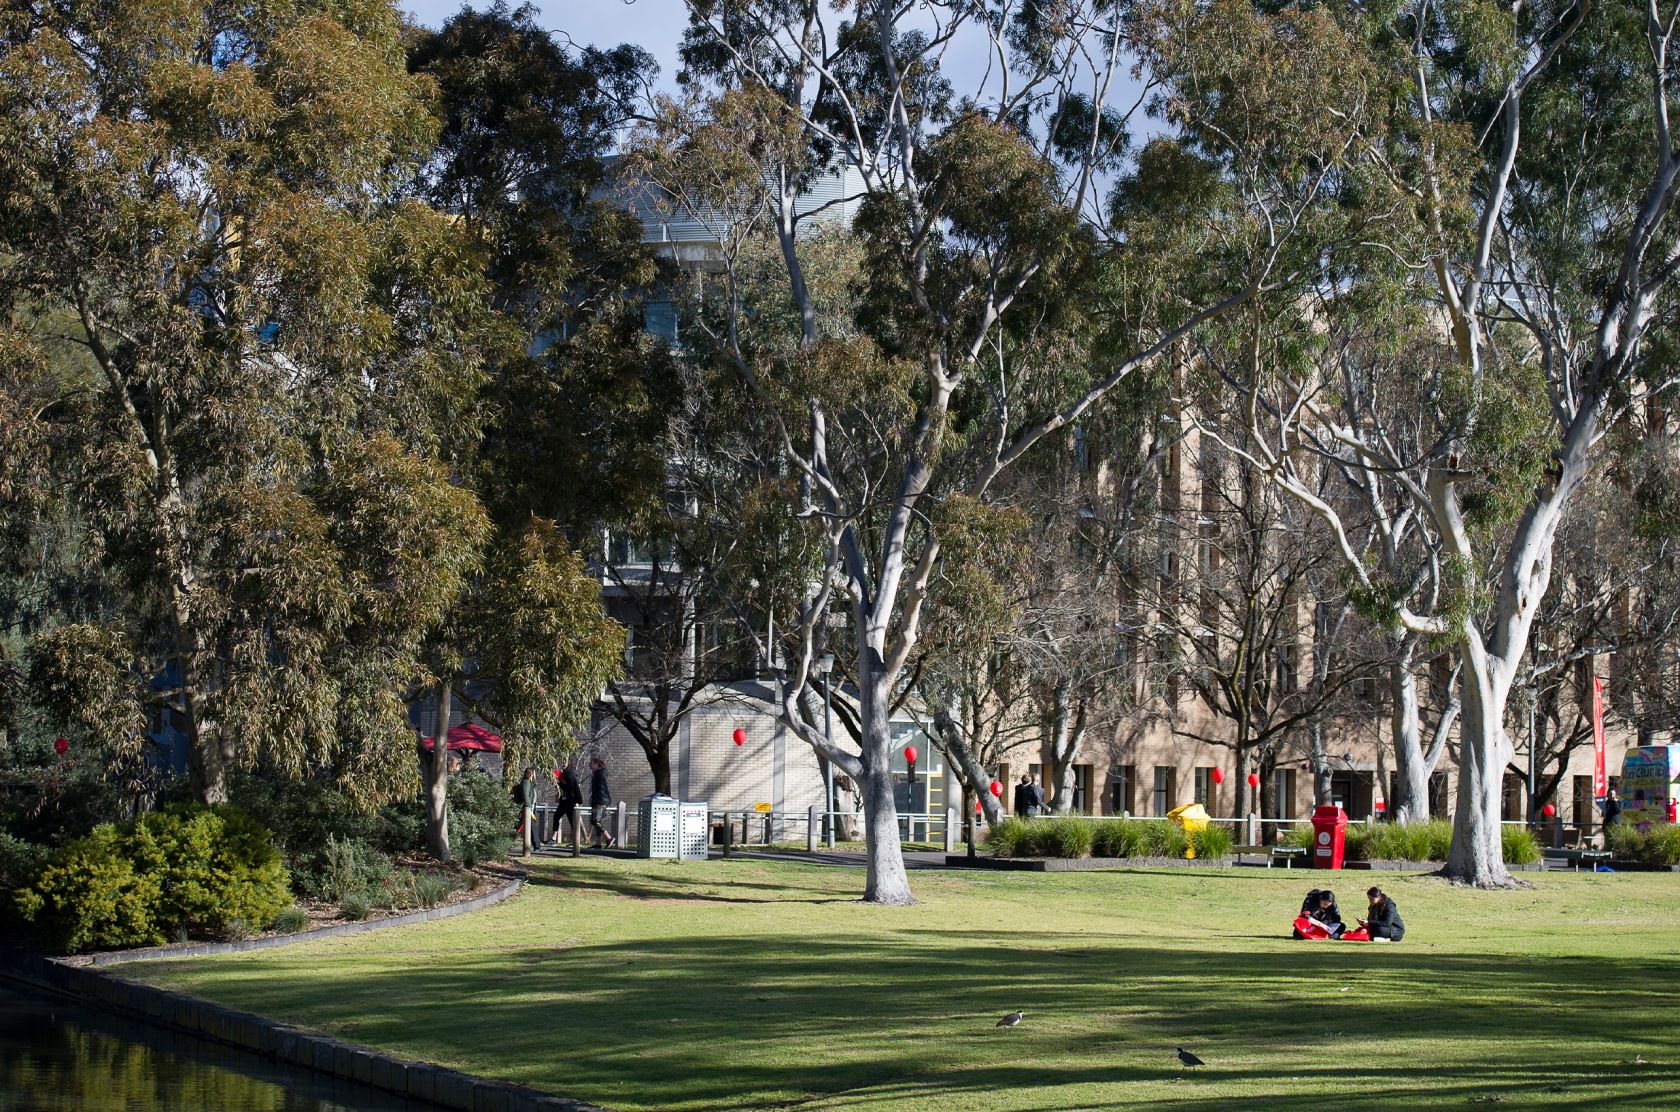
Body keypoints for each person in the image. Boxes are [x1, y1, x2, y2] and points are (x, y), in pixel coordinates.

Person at [549, 761, 582, 846]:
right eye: (562, 762)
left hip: (570, 801)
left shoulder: (570, 774)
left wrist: (559, 781)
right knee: (556, 816)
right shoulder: (564, 773)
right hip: (564, 800)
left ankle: (575, 841)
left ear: (569, 763)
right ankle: (553, 839)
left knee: (572, 820)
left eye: (565, 763)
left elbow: (569, 788)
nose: (562, 764)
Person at [589, 756, 615, 848]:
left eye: (591, 764)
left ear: (597, 764)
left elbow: (599, 790)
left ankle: (608, 838)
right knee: (596, 821)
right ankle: (598, 843)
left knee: (596, 821)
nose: (590, 765)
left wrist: (596, 805)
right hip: (598, 801)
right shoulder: (598, 773)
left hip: (601, 802)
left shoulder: (599, 774)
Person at [513, 767, 537, 855]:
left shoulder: (528, 782)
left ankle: (536, 845)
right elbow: (526, 795)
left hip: (529, 808)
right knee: (524, 826)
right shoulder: (526, 783)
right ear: (530, 774)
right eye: (533, 773)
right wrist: (529, 807)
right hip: (527, 808)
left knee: (523, 826)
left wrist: (534, 780)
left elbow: (533, 786)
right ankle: (536, 845)